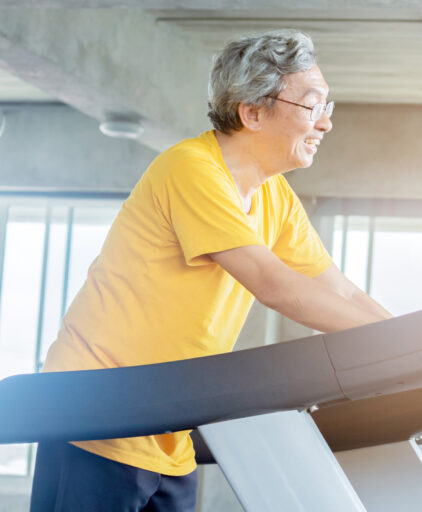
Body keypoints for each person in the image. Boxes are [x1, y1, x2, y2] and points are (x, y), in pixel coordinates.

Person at [30, 29, 391, 511]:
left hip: (167, 429)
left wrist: (418, 343)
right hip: (93, 418)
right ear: (253, 111)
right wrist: (399, 346)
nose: (324, 124)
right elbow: (276, 286)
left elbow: (340, 292)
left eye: (328, 107)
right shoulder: (192, 168)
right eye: (312, 105)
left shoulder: (274, 197)